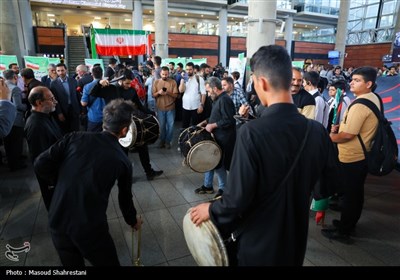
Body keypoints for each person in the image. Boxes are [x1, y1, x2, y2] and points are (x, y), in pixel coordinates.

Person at [190, 45, 339, 266]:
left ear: (261, 82)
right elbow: (327, 187)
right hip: (295, 241)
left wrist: (211, 209)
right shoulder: (316, 131)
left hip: (258, 242)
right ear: (290, 79)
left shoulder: (252, 132)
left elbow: (236, 200)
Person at [33, 99, 143, 266]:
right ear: (124, 130)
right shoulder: (122, 160)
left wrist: (59, 182)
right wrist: (132, 220)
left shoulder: (74, 137)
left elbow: (40, 163)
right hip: (89, 226)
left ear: (104, 121)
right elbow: (125, 199)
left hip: (57, 218)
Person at [321, 67, 380, 244]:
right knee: (355, 193)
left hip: (353, 156)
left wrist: (331, 137)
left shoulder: (360, 104)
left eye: (357, 80)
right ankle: (348, 223)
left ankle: (344, 230)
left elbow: (348, 135)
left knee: (350, 195)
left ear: (369, 84)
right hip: (362, 154)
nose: (352, 82)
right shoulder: (374, 98)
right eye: (352, 79)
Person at [90, 70, 163, 181]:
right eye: (127, 83)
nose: (129, 85)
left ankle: (149, 172)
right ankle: (124, 177)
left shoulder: (132, 90)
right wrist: (99, 83)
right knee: (122, 154)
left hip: (131, 125)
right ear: (119, 80)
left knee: (143, 147)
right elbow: (93, 93)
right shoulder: (109, 88)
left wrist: (151, 114)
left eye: (130, 83)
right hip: (116, 127)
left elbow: (139, 106)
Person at [195, 77, 236, 198]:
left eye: (208, 91)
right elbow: (216, 116)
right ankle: (208, 186)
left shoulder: (225, 100)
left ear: (214, 88)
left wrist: (212, 125)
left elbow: (229, 120)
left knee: (219, 164)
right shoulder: (218, 99)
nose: (207, 94)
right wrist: (204, 122)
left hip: (224, 137)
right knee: (210, 160)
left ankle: (223, 190)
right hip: (217, 136)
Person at [25, 86, 63, 210]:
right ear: (39, 102)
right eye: (51, 99)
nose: (55, 101)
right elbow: (40, 160)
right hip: (52, 180)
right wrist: (52, 183)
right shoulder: (36, 126)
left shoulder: (45, 116)